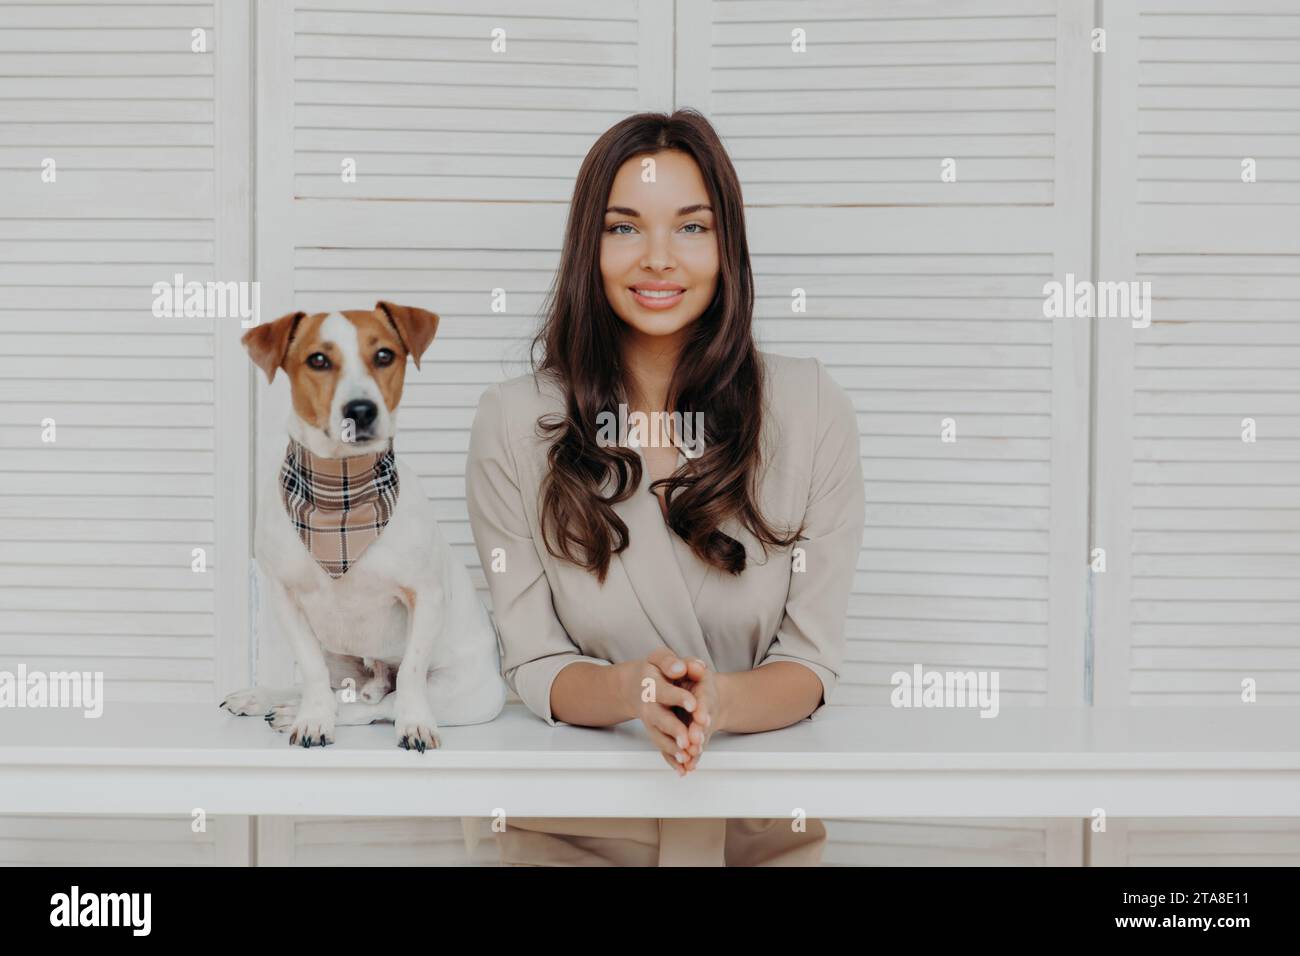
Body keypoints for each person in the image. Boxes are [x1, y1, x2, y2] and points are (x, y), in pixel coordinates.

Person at [465, 109, 865, 866]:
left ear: (727, 246)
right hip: (563, 833)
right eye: (623, 228)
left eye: (690, 227)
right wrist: (630, 693)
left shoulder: (810, 408)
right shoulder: (514, 424)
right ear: (589, 246)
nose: (658, 259)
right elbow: (534, 667)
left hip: (758, 831)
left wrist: (715, 703)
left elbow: (811, 663)